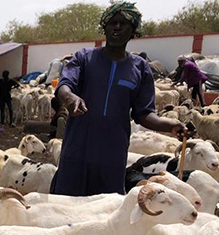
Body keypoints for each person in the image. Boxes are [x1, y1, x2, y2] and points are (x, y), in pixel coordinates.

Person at [50, 2, 187, 197]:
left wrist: (170, 125)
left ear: (133, 31)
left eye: (124, 24)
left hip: (111, 156)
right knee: (66, 207)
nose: (117, 27)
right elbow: (65, 84)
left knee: (106, 211)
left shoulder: (140, 68)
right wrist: (70, 97)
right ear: (104, 27)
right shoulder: (84, 58)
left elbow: (144, 114)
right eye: (112, 22)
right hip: (77, 151)